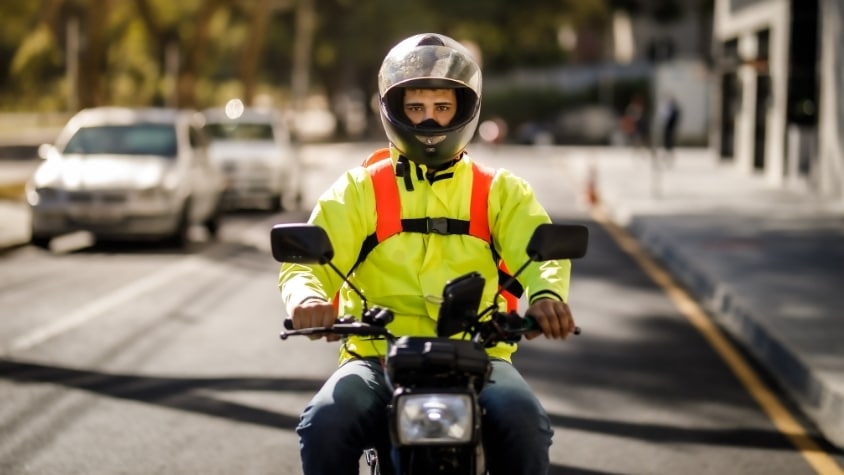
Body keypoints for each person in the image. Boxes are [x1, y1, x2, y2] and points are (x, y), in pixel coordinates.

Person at [278, 33, 578, 475]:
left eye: (442, 108)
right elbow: (306, 260)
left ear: (464, 108)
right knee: (324, 422)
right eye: (416, 108)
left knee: (525, 421)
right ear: (395, 109)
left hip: (478, 358)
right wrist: (306, 300)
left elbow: (542, 248)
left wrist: (547, 295)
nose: (430, 120)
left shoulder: (499, 190)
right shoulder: (361, 188)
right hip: (375, 358)